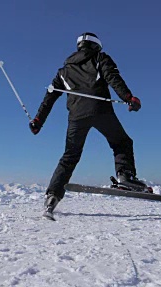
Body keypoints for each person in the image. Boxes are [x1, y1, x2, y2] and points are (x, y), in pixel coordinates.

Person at [29, 32, 145, 215]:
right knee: (121, 142)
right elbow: (113, 78)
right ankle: (125, 176)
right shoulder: (100, 58)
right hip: (101, 111)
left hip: (76, 116)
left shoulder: (64, 71)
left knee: (70, 156)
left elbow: (49, 98)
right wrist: (129, 98)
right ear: (97, 46)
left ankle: (52, 197)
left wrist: (38, 121)